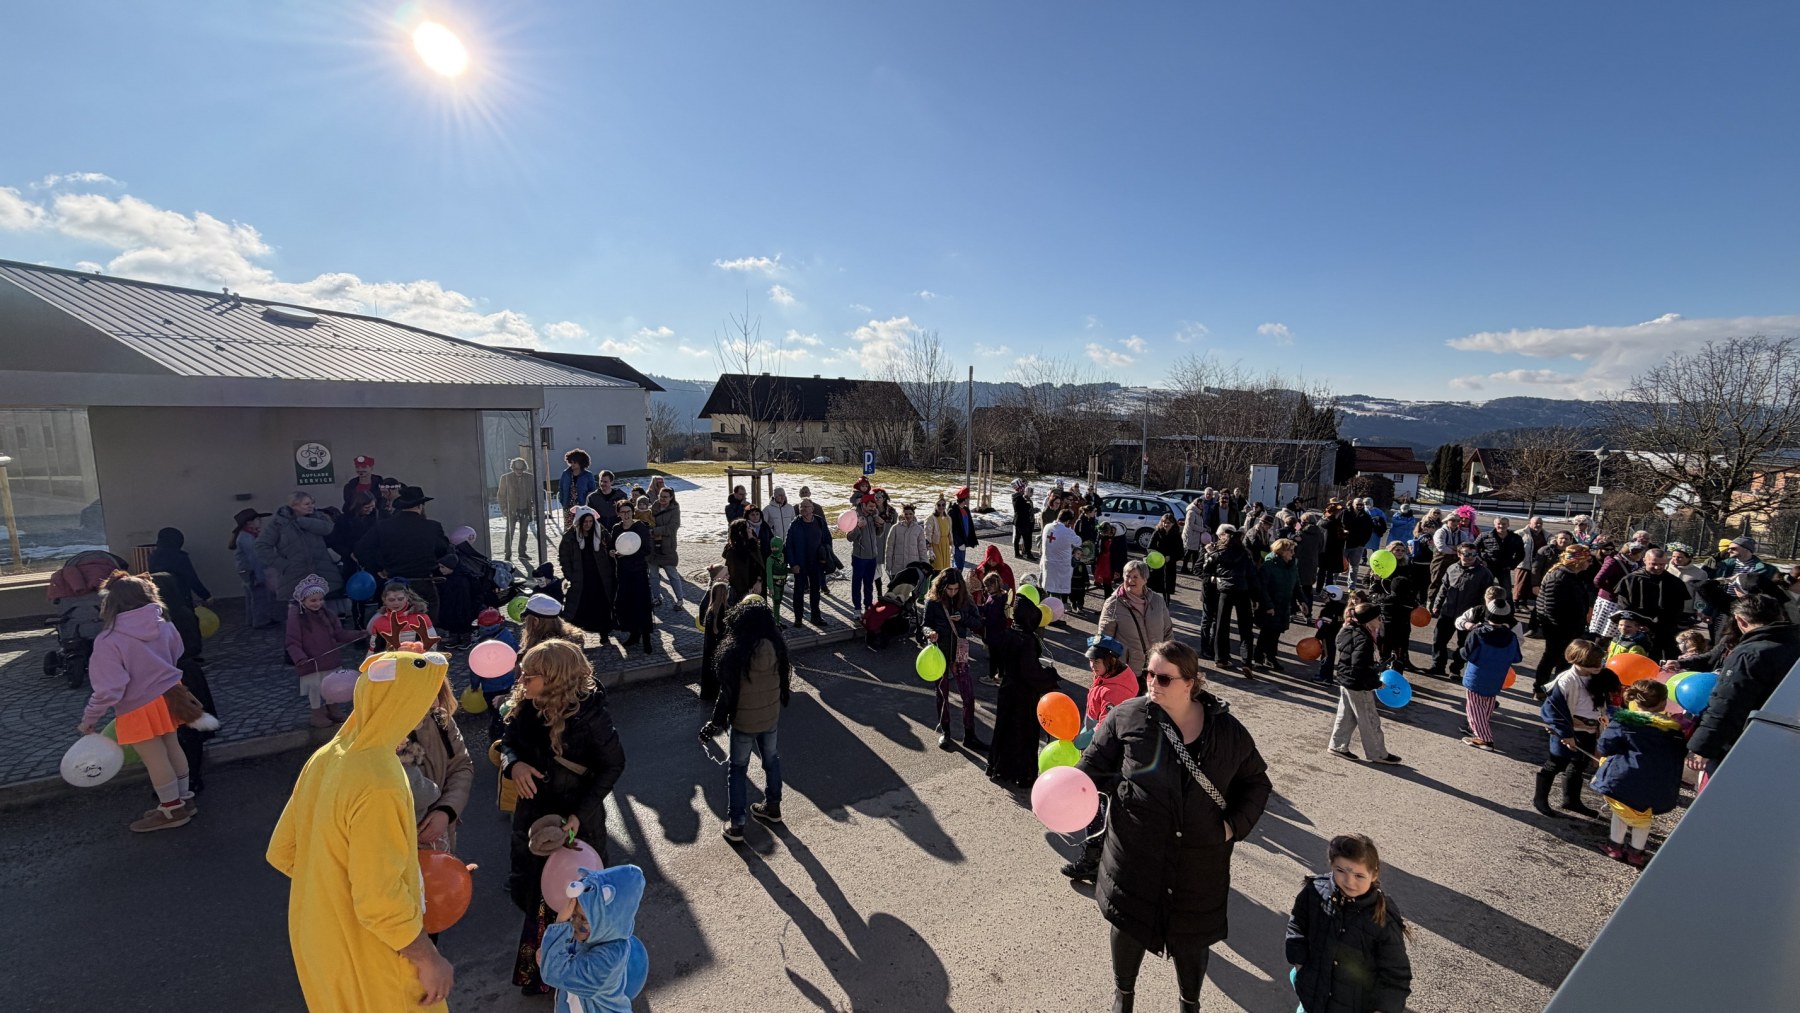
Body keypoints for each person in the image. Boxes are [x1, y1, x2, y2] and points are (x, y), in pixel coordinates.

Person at [1078, 640, 1271, 1013]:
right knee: (1129, 925)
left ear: (1190, 683)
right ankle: (1123, 997)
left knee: (1192, 938)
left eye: (1164, 678)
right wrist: (1068, 789)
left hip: (1199, 863)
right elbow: (1093, 767)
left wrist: (1232, 827)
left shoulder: (1227, 732)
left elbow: (1257, 783)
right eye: (1149, 674)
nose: (1152, 683)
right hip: (1134, 856)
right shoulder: (1127, 717)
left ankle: (1189, 1003)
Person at [267, 648, 456, 1010]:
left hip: (320, 945)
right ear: (406, 702)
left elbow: (284, 851)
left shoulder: (328, 755)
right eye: (427, 699)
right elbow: (378, 900)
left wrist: (334, 893)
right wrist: (429, 959)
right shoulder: (380, 780)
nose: (431, 708)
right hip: (371, 958)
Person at [500, 639, 627, 993]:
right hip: (535, 823)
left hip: (576, 827)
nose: (522, 681)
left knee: (575, 902)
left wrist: (577, 816)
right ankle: (541, 976)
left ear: (555, 679)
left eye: (530, 675)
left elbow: (614, 765)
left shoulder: (591, 716)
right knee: (537, 898)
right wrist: (515, 765)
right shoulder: (527, 704)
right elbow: (508, 743)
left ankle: (579, 976)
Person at [77, 573, 199, 832]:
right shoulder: (164, 624)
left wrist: (90, 719)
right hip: (170, 695)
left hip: (137, 706)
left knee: (154, 758)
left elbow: (109, 689)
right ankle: (184, 800)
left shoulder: (109, 640)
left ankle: (171, 810)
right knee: (172, 746)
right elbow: (177, 652)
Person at [1285, 833, 1413, 1013]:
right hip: (1312, 999)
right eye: (1340, 870)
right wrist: (1299, 964)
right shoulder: (1314, 892)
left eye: (1359, 875)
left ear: (1374, 874)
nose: (1349, 881)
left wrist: (1383, 1009)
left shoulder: (1382, 917)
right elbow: (1297, 925)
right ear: (1331, 865)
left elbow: (1396, 974)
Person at [700, 596, 790, 842]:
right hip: (770, 717)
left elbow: (726, 695)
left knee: (738, 770)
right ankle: (773, 807)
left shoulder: (736, 651)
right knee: (771, 760)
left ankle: (737, 824)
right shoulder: (777, 646)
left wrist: (714, 724)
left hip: (743, 721)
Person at [1687, 593, 1800, 773]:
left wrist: (1703, 747)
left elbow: (1728, 703)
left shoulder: (1750, 654)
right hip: (1787, 736)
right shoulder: (1793, 646)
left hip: (1744, 741)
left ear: (1740, 620)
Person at [1592, 680, 1688, 867]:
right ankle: (1636, 852)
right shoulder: (1673, 730)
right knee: (1643, 817)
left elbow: (1604, 747)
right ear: (1663, 703)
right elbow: (1679, 754)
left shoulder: (1625, 721)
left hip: (1623, 778)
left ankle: (1615, 846)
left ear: (1636, 701)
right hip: (1657, 782)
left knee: (1621, 812)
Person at [1535, 640, 1616, 820]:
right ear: (1579, 661)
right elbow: (1552, 710)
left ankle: (1571, 800)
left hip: (1591, 728)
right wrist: (1565, 734)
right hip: (1569, 729)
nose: (1599, 666)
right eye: (1594, 663)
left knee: (1579, 764)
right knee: (1556, 763)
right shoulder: (1566, 681)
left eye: (1600, 662)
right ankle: (1540, 799)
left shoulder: (1597, 676)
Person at [986, 595, 1059, 788]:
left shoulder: (1009, 633)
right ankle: (1022, 774)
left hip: (1007, 690)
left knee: (1004, 730)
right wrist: (1050, 676)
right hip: (1023, 696)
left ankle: (1000, 767)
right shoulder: (1027, 640)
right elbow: (1030, 672)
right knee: (1023, 734)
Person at [355, 485, 450, 621]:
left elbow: (361, 549)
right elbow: (443, 550)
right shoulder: (432, 527)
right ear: (420, 506)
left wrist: (378, 568)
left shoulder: (383, 526)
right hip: (423, 582)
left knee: (395, 625)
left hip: (394, 583)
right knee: (425, 625)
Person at [402, 679, 474, 854]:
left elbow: (461, 766)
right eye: (426, 692)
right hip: (399, 847)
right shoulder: (379, 738)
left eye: (436, 691)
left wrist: (446, 810)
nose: (435, 702)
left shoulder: (440, 719)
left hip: (440, 837)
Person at [1328, 602, 1404, 765]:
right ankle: (1378, 754)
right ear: (1369, 620)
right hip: (1359, 684)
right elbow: (1360, 667)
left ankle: (1338, 745)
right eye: (1378, 618)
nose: (1381, 621)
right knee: (1370, 720)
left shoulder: (1347, 629)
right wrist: (1376, 683)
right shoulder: (1364, 640)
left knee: (1346, 715)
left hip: (1345, 679)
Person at [287, 573, 366, 727]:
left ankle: (333, 708)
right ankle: (317, 713)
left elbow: (339, 634)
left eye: (320, 600)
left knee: (331, 686)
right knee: (315, 689)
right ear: (303, 601)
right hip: (311, 662)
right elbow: (292, 640)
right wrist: (299, 658)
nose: (317, 603)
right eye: (313, 600)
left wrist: (358, 634)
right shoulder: (297, 617)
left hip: (330, 659)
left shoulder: (328, 615)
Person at [923, 568, 986, 752]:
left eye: (955, 589)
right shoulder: (933, 602)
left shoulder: (965, 600)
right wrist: (930, 633)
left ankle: (970, 735)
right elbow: (925, 625)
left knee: (968, 696)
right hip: (939, 654)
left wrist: (963, 618)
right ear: (942, 587)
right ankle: (946, 732)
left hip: (959, 653)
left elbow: (978, 623)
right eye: (949, 589)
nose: (952, 592)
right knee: (942, 694)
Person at [258, 491, 344, 606]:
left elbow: (327, 528)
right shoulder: (278, 523)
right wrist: (282, 564)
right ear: (294, 506)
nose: (311, 506)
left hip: (321, 571)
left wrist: (300, 521)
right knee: (299, 610)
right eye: (307, 504)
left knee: (323, 609)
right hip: (294, 573)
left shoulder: (318, 517)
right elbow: (261, 546)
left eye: (312, 503)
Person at [1533, 546, 1598, 698]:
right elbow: (1551, 608)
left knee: (1562, 660)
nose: (1590, 563)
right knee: (1552, 658)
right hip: (1559, 629)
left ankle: (1557, 690)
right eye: (1588, 560)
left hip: (1569, 628)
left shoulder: (1571, 575)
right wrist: (1564, 629)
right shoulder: (1560, 577)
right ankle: (1541, 689)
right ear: (1578, 561)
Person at [1099, 560, 1173, 690]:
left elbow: (1167, 631)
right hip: (1128, 669)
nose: (1130, 580)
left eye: (1135, 577)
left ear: (1145, 579)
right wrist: (1105, 667)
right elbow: (1105, 638)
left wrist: (1169, 657)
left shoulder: (1157, 601)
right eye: (1127, 576)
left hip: (1155, 667)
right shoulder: (1113, 603)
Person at [1459, 598, 1522, 750]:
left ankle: (1484, 738)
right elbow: (1517, 657)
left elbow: (1467, 654)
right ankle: (1480, 728)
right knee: (1488, 703)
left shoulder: (1478, 633)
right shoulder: (1511, 637)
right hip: (1498, 677)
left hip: (1476, 676)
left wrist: (1461, 651)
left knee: (1474, 707)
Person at [1426, 543, 1493, 677]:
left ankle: (1455, 669)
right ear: (1459, 554)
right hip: (1448, 611)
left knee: (1464, 644)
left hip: (1468, 616)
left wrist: (1481, 614)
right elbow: (1444, 588)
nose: (1470, 557)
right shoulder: (1452, 568)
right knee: (1438, 640)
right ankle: (1438, 666)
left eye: (1473, 554)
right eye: (1466, 554)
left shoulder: (1484, 573)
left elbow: (1487, 596)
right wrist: (1437, 604)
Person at [1202, 525, 1262, 675]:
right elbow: (1252, 576)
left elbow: (1206, 569)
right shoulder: (1245, 555)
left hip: (1225, 591)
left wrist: (1210, 559)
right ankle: (1246, 661)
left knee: (1222, 626)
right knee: (1246, 628)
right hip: (1243, 591)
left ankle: (1221, 658)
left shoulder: (1219, 553)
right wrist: (1255, 597)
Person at [1613, 546, 1689, 658]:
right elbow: (1624, 607)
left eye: (1662, 564)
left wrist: (1657, 625)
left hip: (1664, 630)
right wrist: (1638, 624)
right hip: (1636, 630)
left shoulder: (1674, 582)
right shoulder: (1630, 580)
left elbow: (1677, 609)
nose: (1658, 567)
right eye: (1653, 564)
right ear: (1644, 560)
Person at [559, 506, 616, 644]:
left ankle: (604, 633)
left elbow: (611, 546)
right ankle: (574, 636)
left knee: (602, 606)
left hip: (600, 576)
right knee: (578, 607)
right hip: (580, 578)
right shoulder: (570, 537)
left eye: (590, 521)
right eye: (585, 521)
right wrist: (570, 575)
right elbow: (564, 557)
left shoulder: (600, 532)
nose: (588, 524)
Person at [612, 502, 656, 653]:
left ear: (633, 512)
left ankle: (646, 638)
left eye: (628, 511)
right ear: (618, 513)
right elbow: (613, 545)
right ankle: (633, 633)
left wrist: (628, 553)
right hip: (623, 572)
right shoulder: (616, 528)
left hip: (638, 571)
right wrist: (612, 552)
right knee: (626, 604)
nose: (626, 514)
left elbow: (646, 550)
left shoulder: (640, 527)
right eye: (623, 512)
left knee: (642, 604)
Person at [1254, 538, 1300, 672]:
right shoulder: (1269, 566)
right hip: (1271, 606)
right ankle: (1258, 658)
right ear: (1282, 551)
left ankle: (1271, 657)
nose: (1293, 553)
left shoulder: (1291, 566)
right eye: (1290, 551)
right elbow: (1262, 588)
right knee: (1266, 632)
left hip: (1283, 605)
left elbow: (1297, 585)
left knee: (1276, 633)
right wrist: (1269, 606)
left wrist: (1302, 601)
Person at [784, 498, 831, 627]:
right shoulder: (795, 524)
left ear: (812, 508)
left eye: (806, 507)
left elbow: (827, 540)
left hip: (816, 563)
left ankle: (816, 617)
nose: (803, 509)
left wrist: (825, 557)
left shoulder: (819, 522)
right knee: (798, 592)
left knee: (815, 592)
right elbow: (789, 546)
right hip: (800, 564)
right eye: (801, 507)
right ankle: (798, 618)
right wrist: (793, 564)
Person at [230, 508, 278, 628]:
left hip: (246, 570)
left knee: (251, 595)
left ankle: (252, 619)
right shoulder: (247, 538)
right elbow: (255, 558)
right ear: (249, 522)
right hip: (252, 570)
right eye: (257, 519)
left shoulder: (246, 536)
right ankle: (261, 621)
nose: (260, 521)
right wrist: (260, 576)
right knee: (259, 595)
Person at [369, 579, 441, 654]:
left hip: (418, 658)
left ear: (407, 598)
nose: (396, 603)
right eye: (391, 600)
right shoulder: (379, 622)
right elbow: (373, 649)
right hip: (391, 659)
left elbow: (432, 645)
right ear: (384, 600)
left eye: (400, 599)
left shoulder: (421, 618)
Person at [650, 486, 686, 612]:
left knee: (672, 574)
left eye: (665, 497)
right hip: (652, 546)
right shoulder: (653, 507)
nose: (662, 499)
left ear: (671, 498)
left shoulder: (675, 510)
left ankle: (680, 599)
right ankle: (656, 598)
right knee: (653, 575)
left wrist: (654, 531)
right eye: (661, 496)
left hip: (667, 547)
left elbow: (672, 527)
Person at [498, 457, 539, 563]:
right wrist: (504, 508)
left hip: (525, 508)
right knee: (509, 532)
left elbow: (534, 492)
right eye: (517, 469)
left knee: (524, 532)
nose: (519, 471)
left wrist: (535, 505)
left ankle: (522, 553)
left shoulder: (530, 478)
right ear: (513, 468)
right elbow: (501, 495)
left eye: (521, 469)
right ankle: (508, 554)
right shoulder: (505, 478)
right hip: (512, 509)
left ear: (524, 468)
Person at [848, 497, 885, 612]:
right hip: (859, 557)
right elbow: (849, 537)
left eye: (874, 506)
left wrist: (880, 525)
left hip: (872, 556)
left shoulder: (874, 516)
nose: (873, 508)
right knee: (857, 584)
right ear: (863, 505)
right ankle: (857, 608)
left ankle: (868, 606)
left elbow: (879, 534)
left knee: (869, 584)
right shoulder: (855, 516)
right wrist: (858, 527)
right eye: (870, 506)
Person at [1474, 516, 1525, 598]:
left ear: (1508, 525)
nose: (1501, 526)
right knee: (1484, 589)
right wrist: (1481, 561)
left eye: (1504, 524)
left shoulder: (1515, 538)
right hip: (1488, 568)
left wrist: (1512, 565)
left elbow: (1521, 554)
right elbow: (1474, 549)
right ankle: (1483, 605)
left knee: (1506, 591)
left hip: (1504, 568)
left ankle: (1507, 606)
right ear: (1494, 524)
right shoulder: (1484, 536)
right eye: (1499, 524)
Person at [882, 501, 932, 580]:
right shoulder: (895, 528)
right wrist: (888, 566)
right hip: (897, 567)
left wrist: (926, 565)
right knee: (897, 587)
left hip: (913, 567)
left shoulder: (919, 529)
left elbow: (922, 549)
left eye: (910, 514)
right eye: (906, 514)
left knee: (912, 587)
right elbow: (889, 548)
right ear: (903, 514)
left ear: (913, 514)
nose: (908, 516)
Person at [722, 517, 766, 602]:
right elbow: (736, 576)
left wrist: (758, 582)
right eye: (748, 528)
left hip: (755, 587)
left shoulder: (752, 545)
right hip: (742, 592)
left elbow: (760, 566)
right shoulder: (732, 552)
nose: (750, 530)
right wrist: (747, 591)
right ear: (741, 532)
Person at [1041, 508, 1079, 603]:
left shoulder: (1047, 527)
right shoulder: (1067, 532)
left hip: (1047, 563)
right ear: (1068, 521)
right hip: (1060, 566)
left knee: (1048, 589)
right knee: (1056, 593)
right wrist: (1070, 529)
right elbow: (1078, 542)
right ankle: (1055, 610)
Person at [1293, 511, 1324, 619]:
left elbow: (1294, 542)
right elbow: (1321, 548)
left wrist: (1297, 525)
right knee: (1308, 590)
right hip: (1312, 563)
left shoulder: (1301, 533)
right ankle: (1308, 613)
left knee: (1295, 588)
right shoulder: (1319, 533)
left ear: (1304, 521)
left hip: (1299, 563)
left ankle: (1293, 611)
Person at [558, 450, 598, 527]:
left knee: (582, 527)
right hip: (568, 507)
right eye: (571, 462)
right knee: (569, 529)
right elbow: (561, 488)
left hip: (582, 507)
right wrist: (562, 501)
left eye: (575, 462)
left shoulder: (588, 475)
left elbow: (592, 491)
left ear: (581, 463)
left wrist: (588, 505)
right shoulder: (566, 473)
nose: (572, 464)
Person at [1148, 513, 1184, 599]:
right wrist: (1156, 555)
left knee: (1166, 589)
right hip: (1157, 565)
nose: (1165, 524)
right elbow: (1150, 547)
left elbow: (1180, 553)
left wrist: (1171, 557)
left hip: (1169, 566)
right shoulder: (1157, 532)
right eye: (1164, 522)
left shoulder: (1176, 535)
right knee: (1154, 588)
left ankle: (1165, 604)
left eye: (1168, 523)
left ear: (1173, 523)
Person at [950, 487, 979, 571]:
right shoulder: (953, 511)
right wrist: (959, 543)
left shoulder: (965, 509)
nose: (968, 499)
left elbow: (969, 526)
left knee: (961, 565)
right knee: (957, 566)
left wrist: (971, 540)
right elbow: (952, 529)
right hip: (958, 543)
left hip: (963, 542)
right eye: (968, 497)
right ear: (964, 499)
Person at [1181, 496, 1208, 575]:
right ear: (1197, 503)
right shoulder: (1191, 512)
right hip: (1190, 535)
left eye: (1203, 504)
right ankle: (1184, 568)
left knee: (1194, 553)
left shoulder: (1198, 512)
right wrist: (1203, 529)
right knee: (1189, 552)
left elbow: (1199, 523)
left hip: (1195, 536)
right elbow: (1191, 525)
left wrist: (1205, 527)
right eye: (1201, 504)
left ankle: (1193, 569)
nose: (1202, 505)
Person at [928, 495, 953, 573]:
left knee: (946, 568)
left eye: (943, 505)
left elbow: (950, 533)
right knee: (938, 567)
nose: (941, 507)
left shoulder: (948, 518)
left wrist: (952, 545)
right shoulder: (931, 518)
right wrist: (930, 550)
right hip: (936, 544)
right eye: (939, 505)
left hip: (945, 544)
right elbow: (928, 535)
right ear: (935, 506)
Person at [1012, 481, 1037, 560]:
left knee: (1019, 537)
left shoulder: (1018, 497)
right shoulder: (1018, 498)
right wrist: (1028, 505)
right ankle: (1027, 553)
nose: (1024, 489)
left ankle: (1018, 553)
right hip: (1022, 521)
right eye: (1023, 487)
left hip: (1020, 521)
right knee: (1026, 538)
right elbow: (1022, 509)